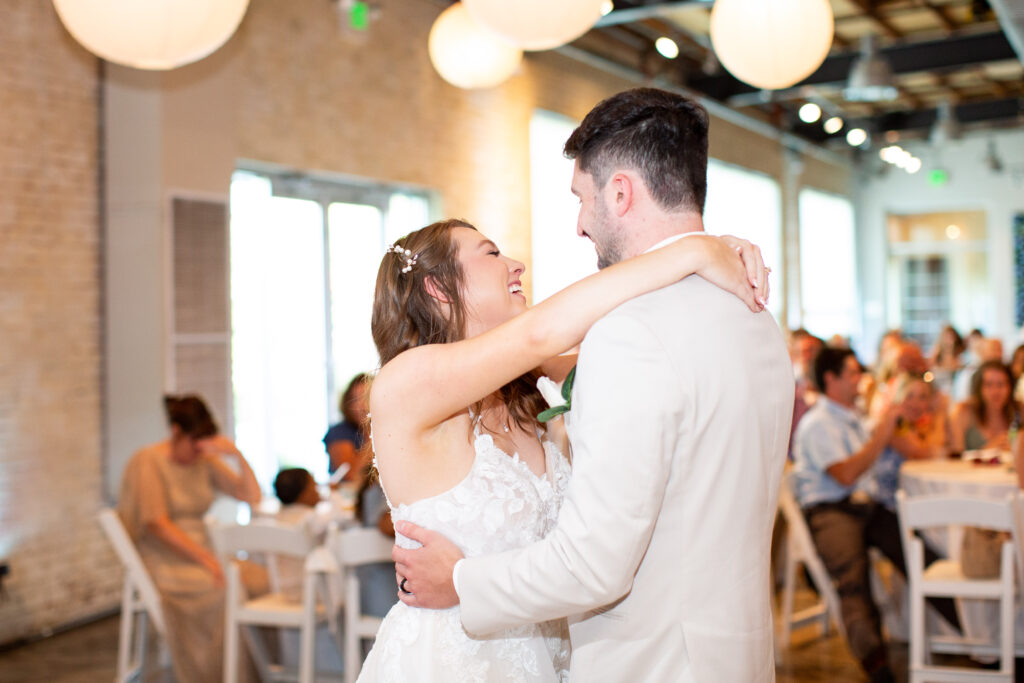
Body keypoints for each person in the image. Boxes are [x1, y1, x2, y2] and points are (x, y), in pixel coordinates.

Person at [390, 88, 792, 682]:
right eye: (491, 253)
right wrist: (696, 249)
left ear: (620, 192)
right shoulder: (753, 313)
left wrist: (461, 581)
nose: (578, 225)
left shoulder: (628, 338)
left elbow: (594, 563)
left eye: (582, 198)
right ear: (437, 288)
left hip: (655, 664)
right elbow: (542, 337)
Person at [792, 348, 959, 682]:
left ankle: (978, 636)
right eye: (853, 373)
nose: (860, 379)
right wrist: (882, 437)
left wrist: (891, 426)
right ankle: (878, 668)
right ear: (831, 378)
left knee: (919, 554)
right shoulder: (818, 423)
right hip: (830, 511)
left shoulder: (849, 417)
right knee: (853, 580)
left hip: (863, 506)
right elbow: (845, 474)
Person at [118, 395, 263, 683]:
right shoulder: (148, 460)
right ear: (176, 431)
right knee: (223, 589)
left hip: (205, 550)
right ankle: (219, 676)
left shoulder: (203, 460)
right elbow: (156, 523)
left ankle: (260, 672)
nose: (198, 451)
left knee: (260, 579)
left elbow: (251, 496)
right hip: (166, 558)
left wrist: (238, 456)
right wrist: (207, 560)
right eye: (193, 443)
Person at [950, 360, 1021, 453]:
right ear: (979, 388)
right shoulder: (964, 411)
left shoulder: (1020, 409)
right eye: (989, 385)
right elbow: (954, 456)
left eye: (1001, 384)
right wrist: (987, 450)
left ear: (1010, 387)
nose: (995, 391)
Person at [323, 373, 370, 482]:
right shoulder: (339, 432)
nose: (361, 405)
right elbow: (349, 475)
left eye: (366, 397)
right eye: (355, 399)